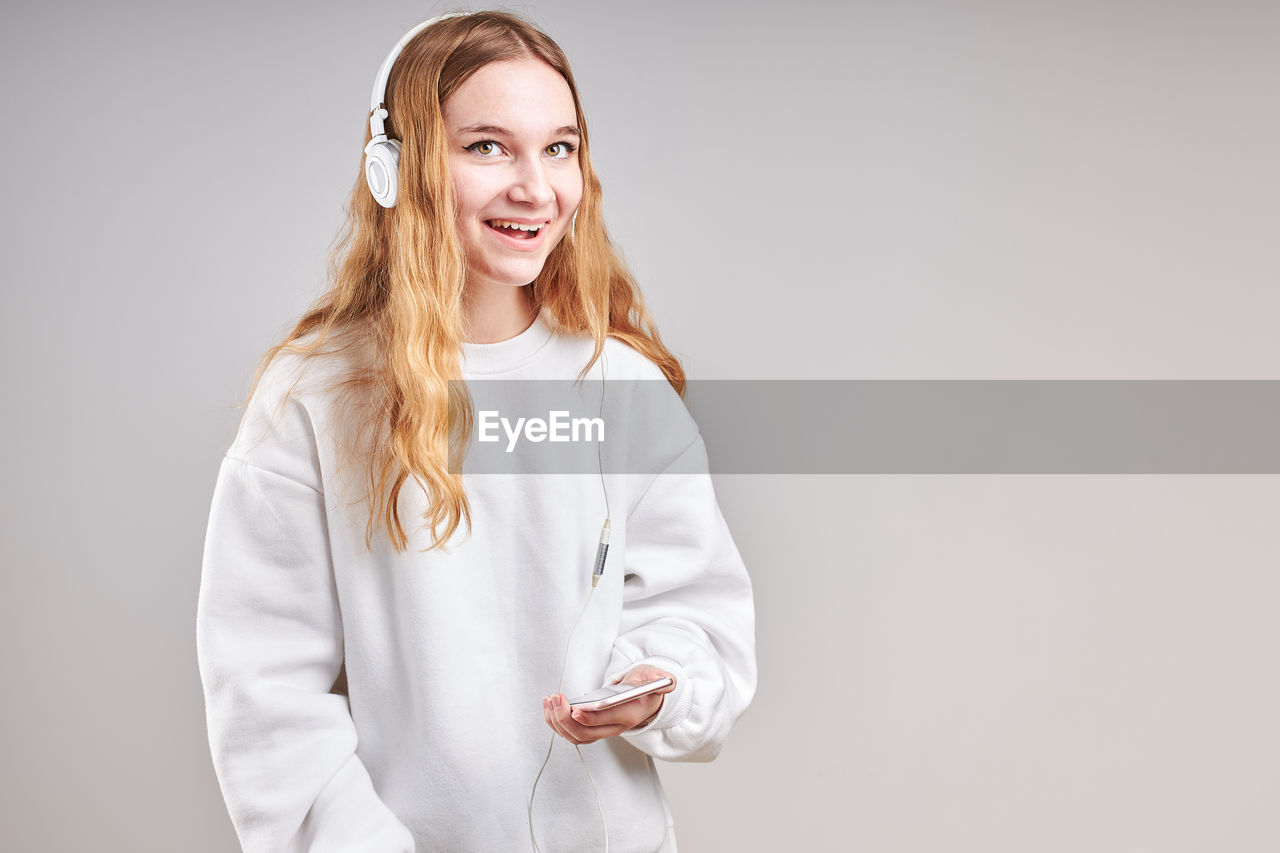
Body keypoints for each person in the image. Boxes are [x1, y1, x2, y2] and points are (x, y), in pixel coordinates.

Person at [196, 10, 756, 853]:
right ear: (398, 169)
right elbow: (266, 696)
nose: (536, 188)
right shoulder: (312, 399)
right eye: (488, 147)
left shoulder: (622, 388)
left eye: (559, 148)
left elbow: (697, 618)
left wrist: (654, 682)